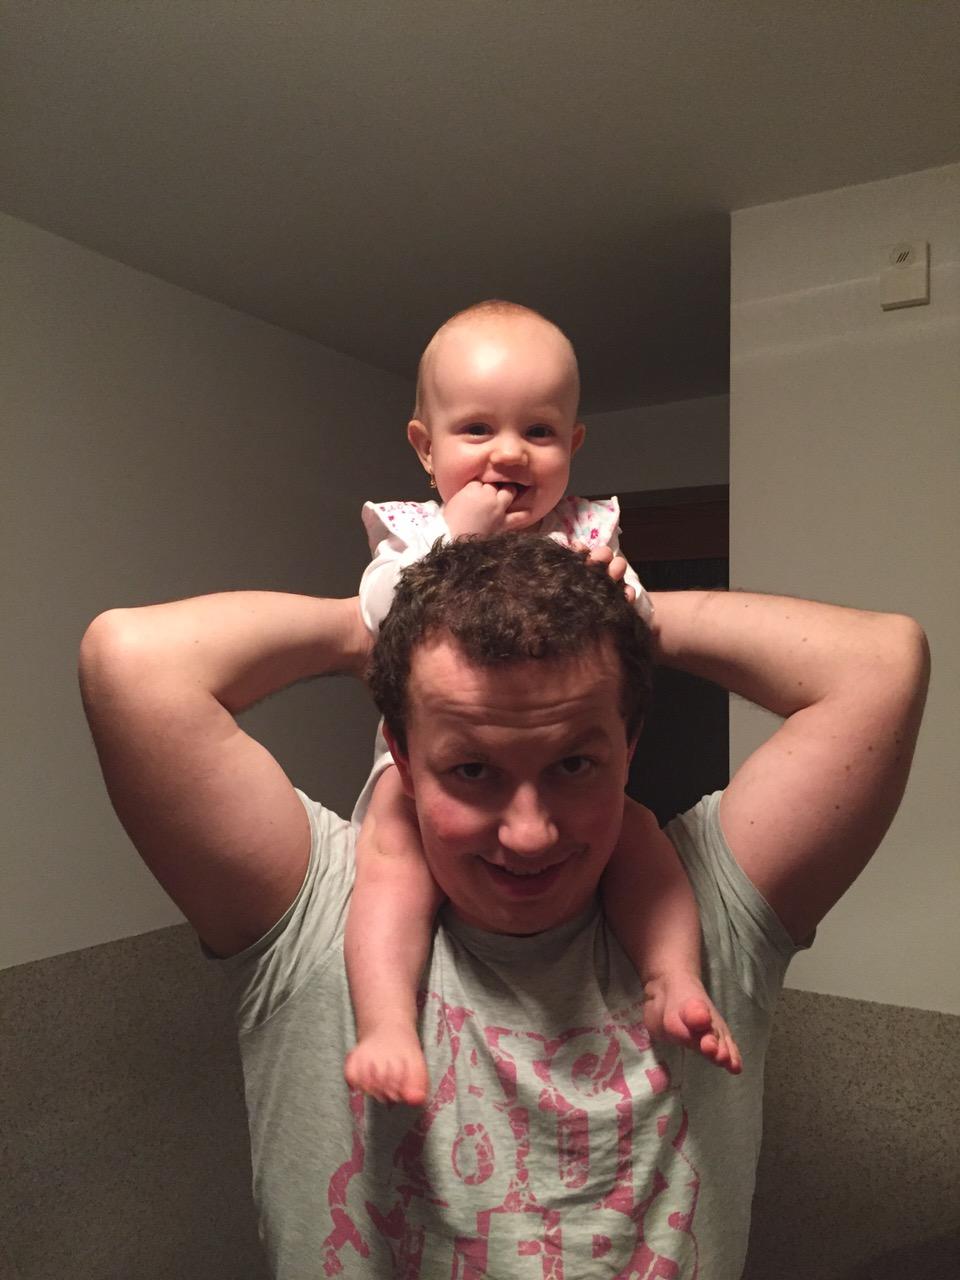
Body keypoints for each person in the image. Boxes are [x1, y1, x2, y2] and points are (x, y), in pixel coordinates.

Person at [78, 533, 928, 1278]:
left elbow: (882, 662)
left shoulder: (700, 907)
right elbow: (130, 661)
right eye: (472, 770)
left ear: (629, 746)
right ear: (403, 757)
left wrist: (627, 615)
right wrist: (377, 626)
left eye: (574, 765)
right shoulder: (321, 914)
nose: (528, 834)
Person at [346, 299, 738, 1109]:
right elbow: (378, 612)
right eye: (477, 429)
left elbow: (635, 624)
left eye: (539, 431)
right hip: (432, 765)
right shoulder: (416, 529)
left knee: (638, 833)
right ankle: (385, 1022)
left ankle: (671, 975)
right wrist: (456, 538)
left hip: (559, 748)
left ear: (574, 444)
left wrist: (622, 592)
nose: (509, 453)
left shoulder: (586, 530)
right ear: (425, 447)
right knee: (390, 855)